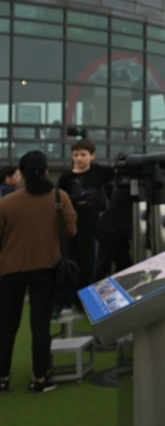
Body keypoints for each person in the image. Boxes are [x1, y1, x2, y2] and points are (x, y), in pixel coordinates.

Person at [0, 151, 77, 394]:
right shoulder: (59, 197)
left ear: (20, 174)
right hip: (46, 268)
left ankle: (2, 378)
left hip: (9, 269)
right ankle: (39, 378)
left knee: (6, 326)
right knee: (40, 325)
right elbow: (71, 231)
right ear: (46, 171)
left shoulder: (6, 202)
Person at [57, 139, 115, 299]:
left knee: (87, 261)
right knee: (67, 260)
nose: (79, 158)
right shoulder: (65, 178)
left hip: (90, 226)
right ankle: (66, 297)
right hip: (68, 226)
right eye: (75, 155)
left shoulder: (98, 172)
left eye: (83, 154)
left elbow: (119, 172)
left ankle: (83, 298)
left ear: (92, 156)